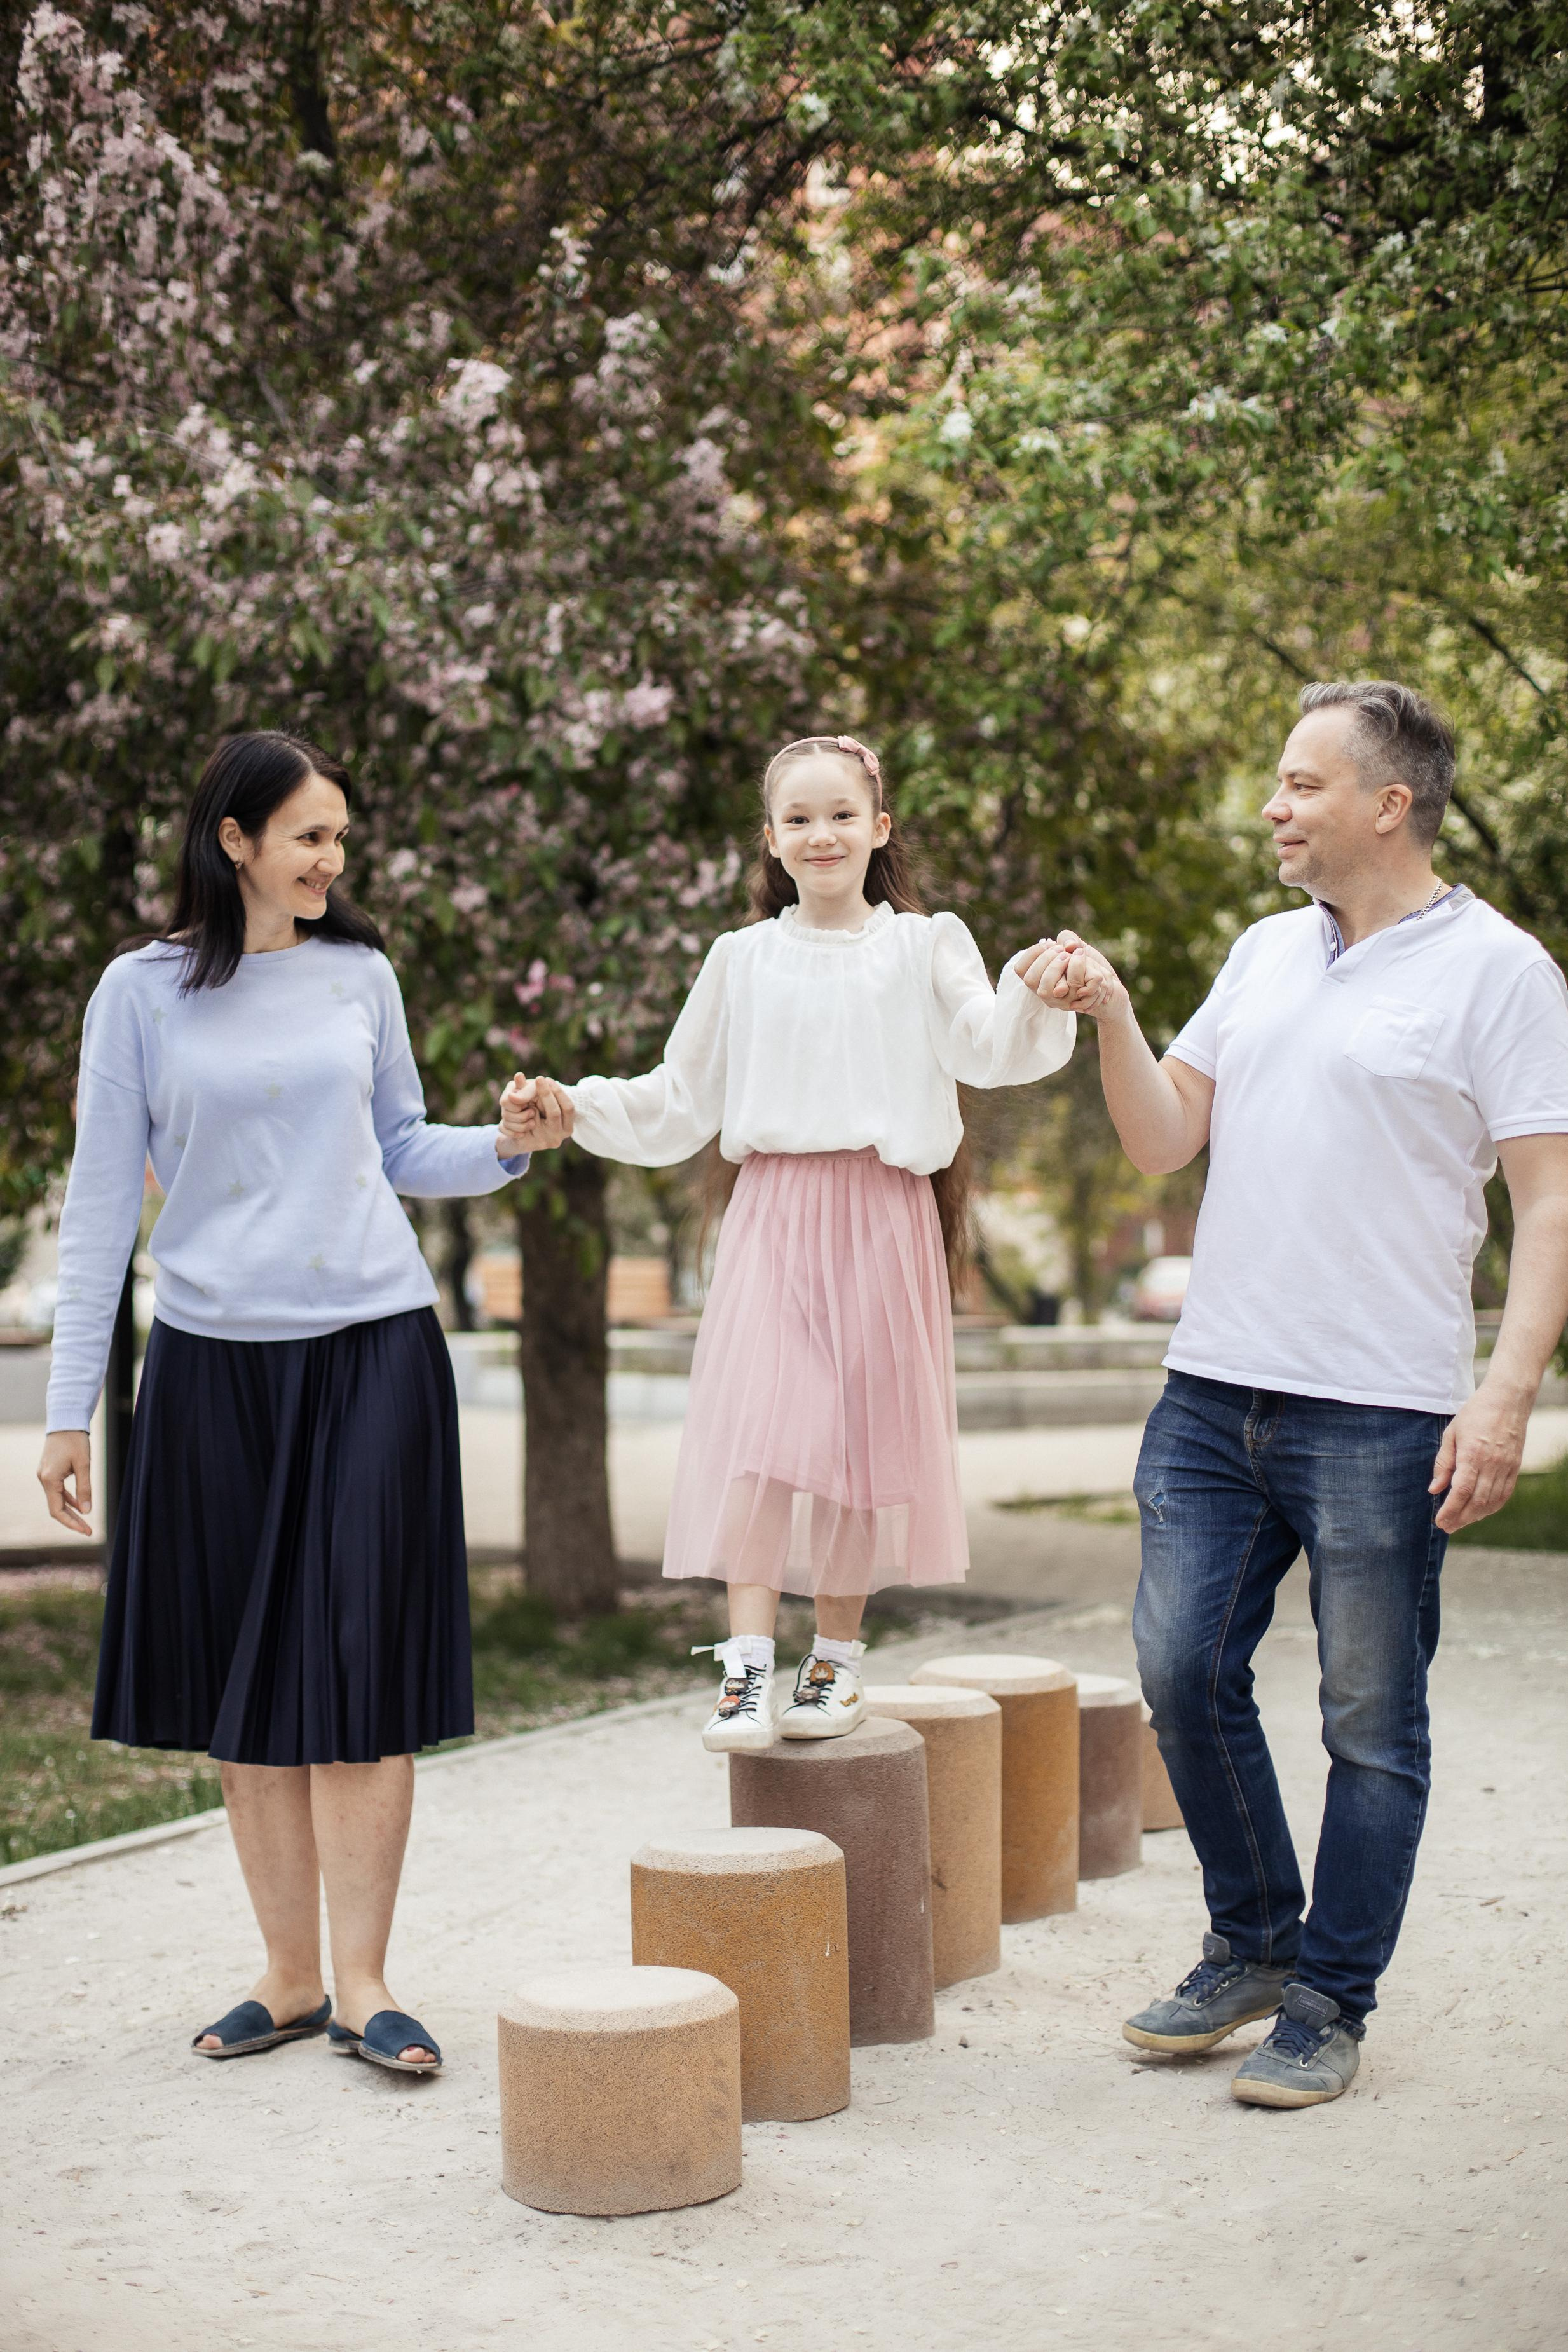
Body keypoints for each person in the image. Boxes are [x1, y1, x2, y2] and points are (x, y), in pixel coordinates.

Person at [1021, 680, 1568, 2108]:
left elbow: (1549, 1202)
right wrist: (1116, 1013)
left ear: (1387, 803)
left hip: (1380, 1410)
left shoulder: (1501, 974)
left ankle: (1329, 1996)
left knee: (1367, 1715)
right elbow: (1158, 1143)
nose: (1274, 805)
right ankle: (1254, 1938)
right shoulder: (1266, 949)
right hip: (1211, 1392)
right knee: (1179, 1670)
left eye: (1298, 782)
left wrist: (1504, 1394)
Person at [37, 730, 568, 2075]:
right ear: (236, 841)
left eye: (341, 835)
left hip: (374, 1346)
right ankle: (285, 1976)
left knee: (362, 1665)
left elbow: (400, 1147)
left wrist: (505, 1145)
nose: (334, 859)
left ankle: (367, 1980)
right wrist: (63, 1408)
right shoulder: (139, 994)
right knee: (244, 1678)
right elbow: (101, 1206)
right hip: (212, 1360)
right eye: (311, 836)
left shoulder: (361, 973)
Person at [511, 734, 1075, 1749]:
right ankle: (744, 1673)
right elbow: (679, 1097)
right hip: (772, 1210)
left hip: (883, 1213)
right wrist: (573, 1105)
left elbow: (988, 1047)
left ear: (880, 829)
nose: (823, 834)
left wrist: (1040, 984)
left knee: (857, 1450)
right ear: (771, 840)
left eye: (843, 815)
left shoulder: (923, 943)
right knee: (761, 1441)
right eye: (800, 820)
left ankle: (836, 1665)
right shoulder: (743, 959)